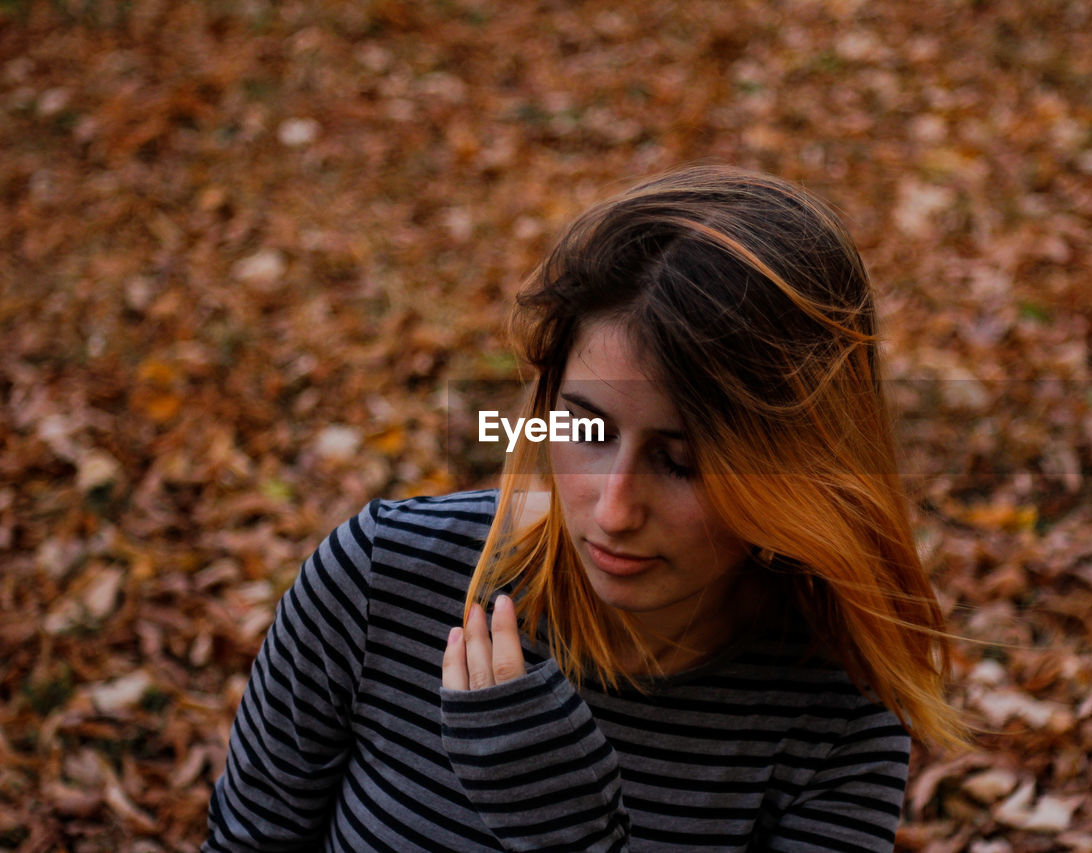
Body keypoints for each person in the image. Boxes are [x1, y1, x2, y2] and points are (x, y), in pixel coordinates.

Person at [204, 165, 965, 852]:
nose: (615, 507)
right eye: (586, 429)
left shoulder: (837, 722)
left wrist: (565, 827)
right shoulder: (380, 579)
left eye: (682, 460)